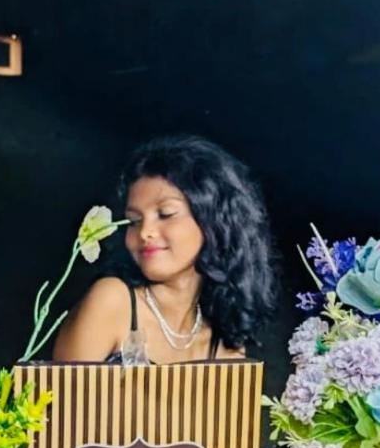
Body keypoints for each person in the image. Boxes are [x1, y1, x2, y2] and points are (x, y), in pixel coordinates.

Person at [54, 135, 278, 364]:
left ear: (215, 221)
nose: (145, 232)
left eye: (166, 214)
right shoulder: (112, 300)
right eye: (134, 221)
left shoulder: (224, 337)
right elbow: (58, 388)